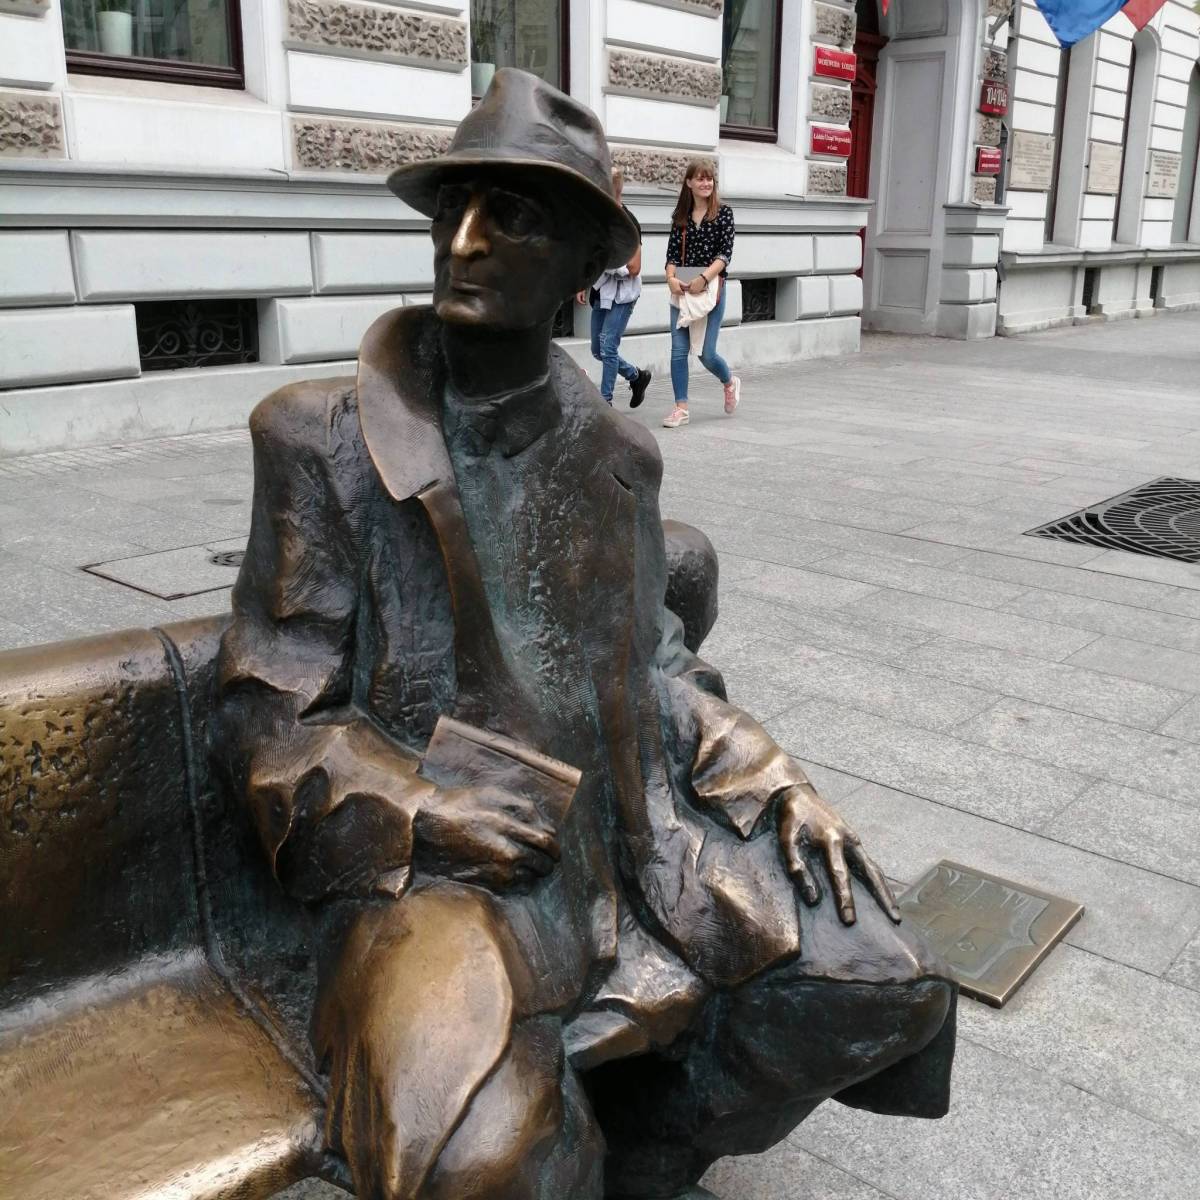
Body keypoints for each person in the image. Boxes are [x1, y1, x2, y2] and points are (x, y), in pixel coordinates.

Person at [214, 69, 954, 1200]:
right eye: (452, 209)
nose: (463, 241)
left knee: (886, 983)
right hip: (429, 878)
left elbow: (657, 661)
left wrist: (768, 773)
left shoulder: (618, 455)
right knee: (479, 1165)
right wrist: (425, 808)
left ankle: (648, 1153)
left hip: (629, 836)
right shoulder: (320, 441)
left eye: (509, 215)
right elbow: (271, 719)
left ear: (583, 264)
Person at [662, 160, 741, 430]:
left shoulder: (724, 213)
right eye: (700, 178)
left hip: (711, 287)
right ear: (689, 183)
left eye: (709, 179)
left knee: (706, 354)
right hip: (682, 288)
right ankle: (681, 408)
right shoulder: (681, 216)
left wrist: (703, 278)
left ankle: (729, 381)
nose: (706, 183)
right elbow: (672, 256)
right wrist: (670, 279)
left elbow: (724, 255)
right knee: (678, 350)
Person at [578, 166, 652, 409]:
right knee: (597, 350)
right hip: (602, 291)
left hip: (623, 295)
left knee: (608, 348)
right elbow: (589, 255)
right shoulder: (597, 219)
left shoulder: (628, 222)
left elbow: (634, 267)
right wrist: (584, 281)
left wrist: (604, 266)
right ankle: (636, 377)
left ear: (613, 190)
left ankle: (606, 403)